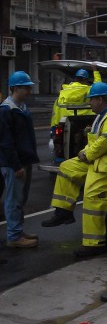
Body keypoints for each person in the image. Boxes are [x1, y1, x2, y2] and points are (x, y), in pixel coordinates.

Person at [41, 82, 107, 258]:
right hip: (101, 159)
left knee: (92, 196)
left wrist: (86, 154)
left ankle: (94, 244)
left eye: (91, 100)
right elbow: (100, 139)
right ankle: (63, 212)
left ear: (100, 99)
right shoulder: (104, 115)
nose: (89, 104)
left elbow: (105, 142)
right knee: (66, 167)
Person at [0, 71, 40, 248]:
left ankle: (18, 229)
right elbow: (6, 143)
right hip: (13, 164)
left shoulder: (22, 108)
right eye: (26, 88)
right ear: (15, 88)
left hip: (24, 160)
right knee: (13, 199)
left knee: (20, 199)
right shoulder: (6, 110)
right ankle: (14, 236)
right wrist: (16, 165)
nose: (29, 91)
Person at [50, 65, 102, 138]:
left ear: (75, 79)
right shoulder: (88, 90)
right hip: (83, 121)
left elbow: (55, 112)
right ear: (86, 80)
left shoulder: (64, 92)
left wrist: (54, 127)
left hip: (64, 122)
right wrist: (95, 71)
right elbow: (98, 86)